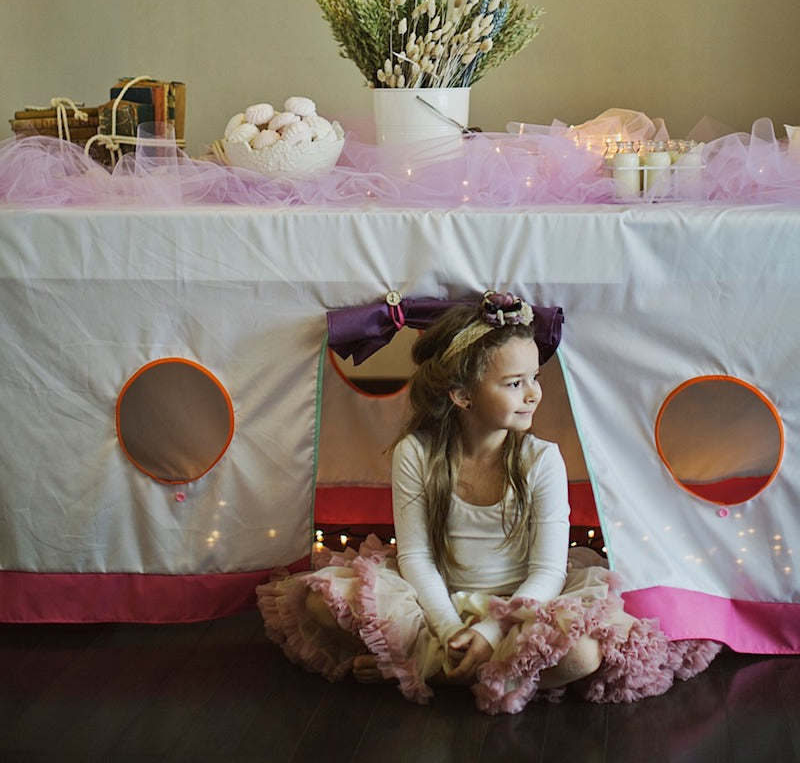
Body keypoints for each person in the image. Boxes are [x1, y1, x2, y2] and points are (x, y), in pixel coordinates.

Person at [257, 291, 720, 712]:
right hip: (434, 596)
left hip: (524, 605)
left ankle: (429, 670)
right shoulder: (415, 454)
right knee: (322, 604)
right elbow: (416, 557)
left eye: (534, 377)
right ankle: (475, 667)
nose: (534, 393)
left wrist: (489, 629)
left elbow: (548, 572)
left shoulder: (543, 461)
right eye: (514, 383)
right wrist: (449, 628)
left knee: (582, 654)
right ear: (461, 395)